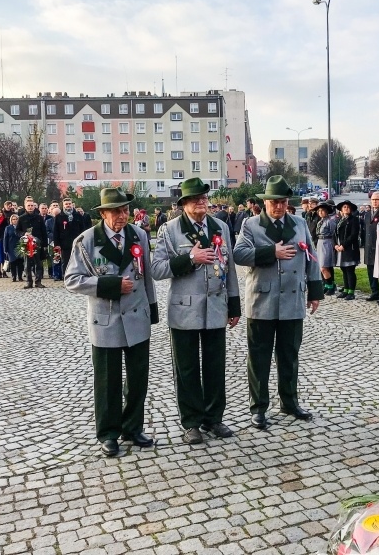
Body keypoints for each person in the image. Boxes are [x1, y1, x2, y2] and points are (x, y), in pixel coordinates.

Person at [65, 187, 159, 456]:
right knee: (108, 381)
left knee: (138, 378)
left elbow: (147, 276)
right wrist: (110, 284)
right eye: (116, 211)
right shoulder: (86, 241)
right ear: (103, 213)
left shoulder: (139, 234)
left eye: (126, 209)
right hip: (105, 320)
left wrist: (152, 310)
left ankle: (133, 427)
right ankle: (108, 433)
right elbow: (72, 280)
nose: (122, 215)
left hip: (137, 317)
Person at [151, 178, 240, 445]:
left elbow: (230, 267)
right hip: (184, 310)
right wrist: (190, 258)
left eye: (204, 198)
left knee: (215, 366)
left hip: (215, 306)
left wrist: (233, 306)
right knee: (187, 369)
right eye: (195, 199)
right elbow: (157, 270)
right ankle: (191, 422)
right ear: (184, 204)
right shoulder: (170, 230)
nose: (202, 203)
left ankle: (213, 418)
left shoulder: (220, 227)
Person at [233, 175, 323, 430]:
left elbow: (311, 256)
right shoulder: (251, 224)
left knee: (289, 355)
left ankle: (289, 401)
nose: (279, 207)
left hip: (292, 301)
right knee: (259, 357)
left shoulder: (299, 222)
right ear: (265, 203)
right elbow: (239, 254)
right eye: (274, 202)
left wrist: (314, 292)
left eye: (283, 202)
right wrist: (271, 253)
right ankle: (259, 406)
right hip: (262, 300)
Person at [17, 198, 48, 288]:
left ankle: (38, 281)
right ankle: (29, 282)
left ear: (34, 207)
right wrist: (24, 234)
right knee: (27, 265)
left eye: (32, 206)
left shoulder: (39, 217)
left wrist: (44, 245)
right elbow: (17, 231)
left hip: (37, 244)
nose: (30, 207)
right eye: (28, 206)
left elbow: (44, 231)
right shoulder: (22, 218)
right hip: (26, 244)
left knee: (38, 264)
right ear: (25, 207)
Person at [334, 200, 361, 301]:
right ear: (341, 209)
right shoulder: (340, 220)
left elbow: (353, 235)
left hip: (350, 248)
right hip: (340, 248)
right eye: (344, 207)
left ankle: (351, 292)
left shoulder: (354, 220)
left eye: (348, 207)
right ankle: (345, 289)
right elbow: (335, 233)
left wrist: (344, 245)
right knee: (343, 269)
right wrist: (335, 244)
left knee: (350, 270)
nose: (346, 208)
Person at [362, 193, 379, 302]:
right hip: (368, 246)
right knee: (370, 270)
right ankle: (374, 291)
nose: (374, 201)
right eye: (373, 199)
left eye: (377, 199)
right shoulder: (367, 214)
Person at [314, 201, 337, 295]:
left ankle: (331, 286)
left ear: (327, 211)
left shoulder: (330, 221)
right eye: (319, 211)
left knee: (324, 266)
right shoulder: (320, 221)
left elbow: (333, 233)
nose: (320, 212)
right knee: (321, 267)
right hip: (320, 242)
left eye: (322, 210)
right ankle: (327, 285)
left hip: (327, 243)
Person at [3, 214, 24, 281]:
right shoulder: (8, 228)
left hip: (20, 246)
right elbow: (5, 238)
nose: (15, 221)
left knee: (20, 262)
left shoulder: (21, 227)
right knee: (13, 263)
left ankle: (20, 276)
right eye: (13, 219)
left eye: (16, 219)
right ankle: (14, 276)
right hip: (11, 247)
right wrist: (5, 248)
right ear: (11, 220)